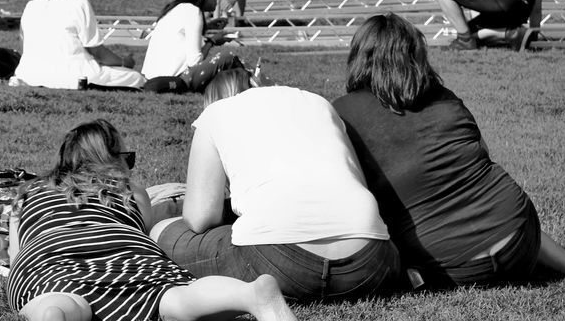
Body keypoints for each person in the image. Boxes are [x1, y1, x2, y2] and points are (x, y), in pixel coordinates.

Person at [8, 118, 302, 321]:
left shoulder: (27, 193)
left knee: (57, 296)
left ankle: (53, 315)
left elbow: (15, 254)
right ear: (111, 159)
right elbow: (144, 229)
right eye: (127, 158)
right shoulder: (128, 187)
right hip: (125, 248)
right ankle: (249, 295)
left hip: (49, 255)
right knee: (171, 296)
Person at [333, 13, 565, 288]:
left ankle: (416, 276)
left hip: (449, 265)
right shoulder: (445, 99)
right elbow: (483, 176)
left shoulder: (343, 112)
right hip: (518, 235)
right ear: (415, 55)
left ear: (359, 57)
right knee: (486, 195)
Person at [153, 69, 400, 301]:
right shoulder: (319, 102)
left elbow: (200, 218)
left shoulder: (215, 113)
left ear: (212, 98)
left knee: (163, 231)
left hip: (278, 262)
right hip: (371, 263)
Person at [13, 0, 145, 90]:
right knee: (135, 77)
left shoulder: (31, 6)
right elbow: (97, 52)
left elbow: (25, 45)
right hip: (75, 76)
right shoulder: (78, 4)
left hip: (29, 75)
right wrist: (123, 62)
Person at [140, 0, 246, 93]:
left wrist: (206, 28)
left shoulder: (176, 8)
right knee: (228, 57)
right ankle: (252, 86)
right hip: (175, 80)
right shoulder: (193, 11)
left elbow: (180, 42)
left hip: (152, 79)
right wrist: (212, 41)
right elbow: (195, 61)